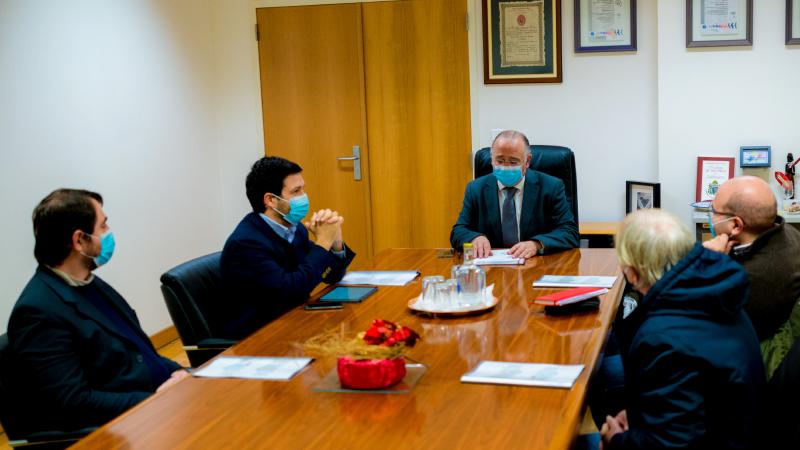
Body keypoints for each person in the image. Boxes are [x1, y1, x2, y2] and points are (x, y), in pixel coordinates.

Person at [6, 189, 188, 435]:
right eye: (103, 226)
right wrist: (155, 399)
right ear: (79, 240)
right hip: (125, 429)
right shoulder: (37, 311)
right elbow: (75, 401)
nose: (109, 233)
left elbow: (139, 349)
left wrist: (176, 371)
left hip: (161, 403)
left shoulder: (88, 282)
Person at [601, 209, 764, 449]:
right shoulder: (716, 293)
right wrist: (640, 412)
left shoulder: (662, 338)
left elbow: (671, 445)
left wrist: (616, 440)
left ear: (632, 273)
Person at [220, 156, 355, 339]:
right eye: (296, 191)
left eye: (303, 189)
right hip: (261, 337)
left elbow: (331, 275)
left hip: (296, 321)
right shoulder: (247, 243)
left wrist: (335, 242)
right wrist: (323, 243)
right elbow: (290, 290)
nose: (303, 197)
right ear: (270, 200)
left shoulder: (294, 228)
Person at [703, 176, 800, 374]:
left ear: (736, 225)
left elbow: (695, 326)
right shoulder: (787, 232)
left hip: (736, 359)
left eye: (713, 211)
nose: (710, 216)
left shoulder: (747, 281)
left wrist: (704, 263)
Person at [450, 130, 578, 258]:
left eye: (513, 162)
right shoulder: (476, 189)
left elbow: (569, 232)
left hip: (535, 266)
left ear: (527, 161)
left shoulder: (551, 187)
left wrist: (537, 244)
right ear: (491, 160)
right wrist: (474, 238)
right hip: (491, 267)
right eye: (499, 161)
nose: (505, 166)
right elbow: (459, 231)